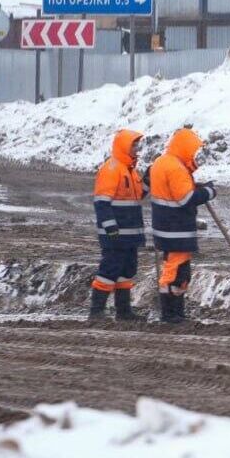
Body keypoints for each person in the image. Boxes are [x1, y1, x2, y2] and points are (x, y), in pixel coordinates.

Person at [148, 127, 217, 324]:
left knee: (176, 270)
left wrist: (194, 184)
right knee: (176, 272)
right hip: (176, 229)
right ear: (186, 147)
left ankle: (174, 313)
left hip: (167, 227)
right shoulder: (175, 168)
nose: (196, 155)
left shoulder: (163, 162)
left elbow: (176, 190)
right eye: (194, 150)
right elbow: (186, 198)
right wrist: (209, 192)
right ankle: (171, 314)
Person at [90, 129, 147, 321]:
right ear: (124, 146)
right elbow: (101, 202)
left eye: (137, 144)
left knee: (126, 271)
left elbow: (137, 196)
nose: (137, 148)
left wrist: (147, 181)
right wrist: (110, 227)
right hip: (115, 234)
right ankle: (96, 311)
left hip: (129, 234)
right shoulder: (112, 169)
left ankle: (123, 311)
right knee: (110, 270)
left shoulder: (130, 170)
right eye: (134, 144)